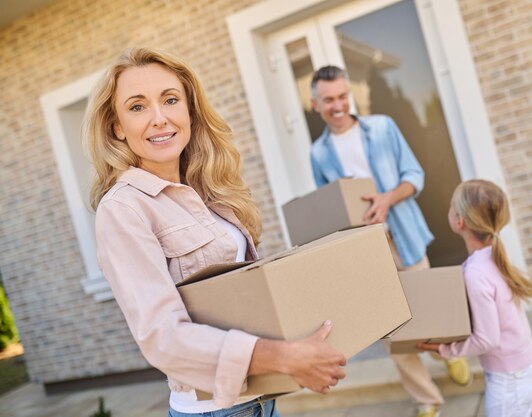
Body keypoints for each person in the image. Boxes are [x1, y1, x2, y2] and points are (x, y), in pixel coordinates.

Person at [86, 47, 346, 417]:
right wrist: (283, 356)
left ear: (189, 110)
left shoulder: (207, 189)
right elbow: (163, 337)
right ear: (116, 127)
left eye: (171, 100)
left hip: (260, 393)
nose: (159, 118)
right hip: (214, 409)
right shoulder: (123, 209)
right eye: (138, 107)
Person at [309, 65, 471, 417]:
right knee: (393, 330)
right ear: (315, 103)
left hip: (405, 236)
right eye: (328, 100)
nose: (337, 105)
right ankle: (427, 400)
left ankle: (448, 355)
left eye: (341, 96)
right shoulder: (318, 154)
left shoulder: (382, 127)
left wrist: (386, 199)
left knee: (429, 315)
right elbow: (329, 205)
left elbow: (415, 176)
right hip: (367, 250)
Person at [417, 179, 532, 417]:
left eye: (452, 206)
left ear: (459, 221)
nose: (449, 210)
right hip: (521, 366)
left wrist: (445, 350)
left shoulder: (475, 272)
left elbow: (487, 340)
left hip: (510, 378)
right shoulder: (492, 255)